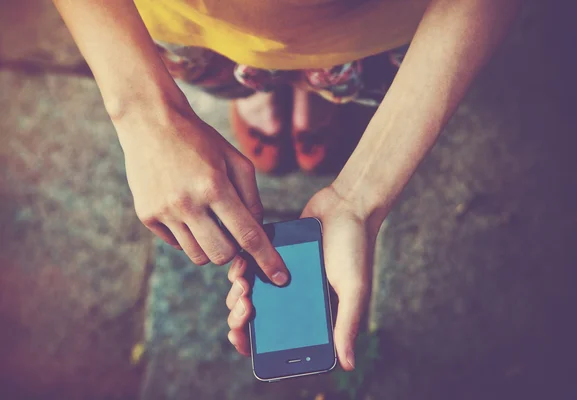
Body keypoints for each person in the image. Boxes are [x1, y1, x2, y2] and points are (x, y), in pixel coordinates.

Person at [53, 0, 522, 371]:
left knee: (334, 75)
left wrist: (360, 201)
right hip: (193, 23)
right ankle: (269, 89)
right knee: (226, 72)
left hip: (368, 28)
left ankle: (312, 91)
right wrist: (143, 113)